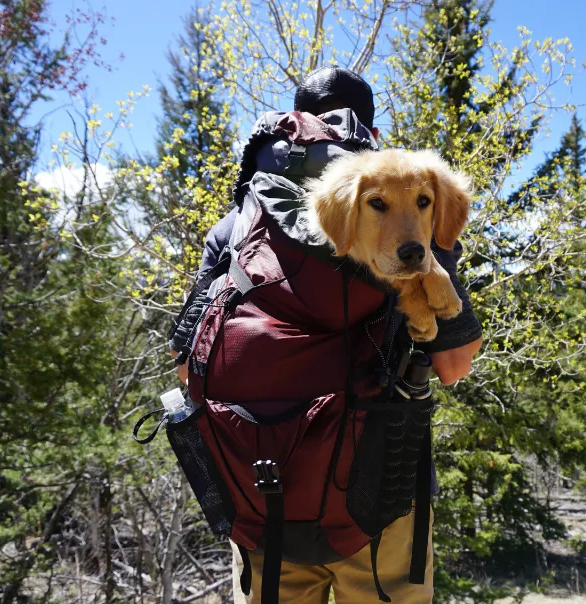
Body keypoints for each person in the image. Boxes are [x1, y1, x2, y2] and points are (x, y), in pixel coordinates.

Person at [170, 67, 482, 603]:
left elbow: (186, 362)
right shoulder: (409, 204)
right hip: (382, 493)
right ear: (372, 136)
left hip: (265, 493)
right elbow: (455, 366)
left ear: (296, 125)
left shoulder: (239, 224)